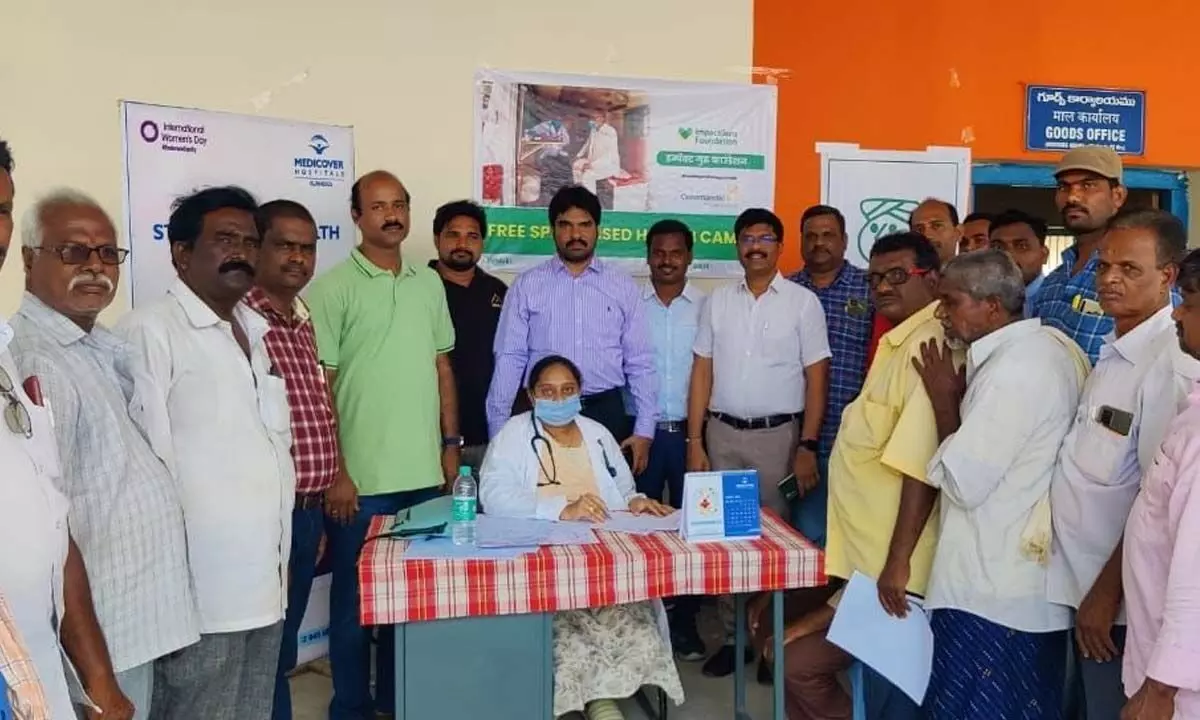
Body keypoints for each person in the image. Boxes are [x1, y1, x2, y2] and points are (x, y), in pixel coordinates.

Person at [9, 190, 199, 720]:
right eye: (74, 252)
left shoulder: (98, 346)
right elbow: (50, 533)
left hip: (139, 622)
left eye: (107, 253)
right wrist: (96, 677)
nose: (95, 267)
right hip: (104, 639)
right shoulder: (37, 362)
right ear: (29, 259)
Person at [117, 186, 294, 720]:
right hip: (200, 593)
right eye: (224, 239)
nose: (240, 250)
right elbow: (145, 471)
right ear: (181, 253)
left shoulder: (255, 330)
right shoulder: (151, 331)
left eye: (249, 240)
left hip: (265, 578)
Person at [784, 232, 957, 720]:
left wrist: (898, 564)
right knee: (795, 656)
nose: (883, 286)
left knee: (891, 697)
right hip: (869, 565)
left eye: (898, 275)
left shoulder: (930, 346)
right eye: (876, 277)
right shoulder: (895, 341)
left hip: (899, 575)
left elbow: (921, 471)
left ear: (934, 278)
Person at [306, 170, 455, 719]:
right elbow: (320, 388)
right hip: (361, 485)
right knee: (352, 606)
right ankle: (350, 706)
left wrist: (450, 445)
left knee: (408, 603)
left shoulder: (428, 282)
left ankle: (398, 702)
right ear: (356, 216)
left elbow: (443, 367)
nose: (391, 215)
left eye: (399, 205)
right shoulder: (330, 288)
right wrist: (338, 473)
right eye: (378, 206)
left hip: (422, 478)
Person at [915, 250, 1088, 719]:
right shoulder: (1043, 349)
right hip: (1016, 588)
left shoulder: (1016, 371)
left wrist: (944, 403)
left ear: (991, 306)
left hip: (990, 592)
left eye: (950, 303)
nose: (940, 315)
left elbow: (963, 480)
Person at [0, 139, 134, 720]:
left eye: (1, 209)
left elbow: (52, 520)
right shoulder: (35, 351)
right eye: (75, 251)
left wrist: (98, 678)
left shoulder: (5, 356)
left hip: (34, 666)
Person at [1047, 209, 1198, 720]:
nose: (1110, 279)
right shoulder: (1112, 353)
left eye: (1129, 269)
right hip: (1078, 588)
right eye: (1103, 267)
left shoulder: (1169, 368)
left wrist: (1105, 597)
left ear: (1168, 276)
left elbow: (1156, 500)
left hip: (1119, 611)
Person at [479, 355, 681, 720]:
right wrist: (561, 508)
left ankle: (601, 697)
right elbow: (493, 496)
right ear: (531, 394)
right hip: (545, 561)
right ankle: (592, 703)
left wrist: (636, 501)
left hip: (604, 558)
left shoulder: (597, 433)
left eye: (568, 391)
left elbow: (622, 485)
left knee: (635, 624)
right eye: (548, 392)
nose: (559, 400)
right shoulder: (514, 434)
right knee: (567, 629)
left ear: (580, 393)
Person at [687, 207, 831, 678]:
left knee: (774, 544)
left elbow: (816, 376)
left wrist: (807, 444)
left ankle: (771, 640)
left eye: (765, 237)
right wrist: (696, 439)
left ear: (779, 245)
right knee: (729, 542)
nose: (755, 245)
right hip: (723, 434)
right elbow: (702, 370)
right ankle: (735, 639)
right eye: (747, 237)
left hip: (778, 440)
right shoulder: (717, 301)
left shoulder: (802, 303)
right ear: (737, 246)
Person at [239, 200, 340, 720]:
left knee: (280, 648)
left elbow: (317, 409)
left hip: (306, 512)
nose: (298, 257)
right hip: (266, 517)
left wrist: (318, 503)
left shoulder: (301, 320)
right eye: (285, 245)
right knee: (261, 651)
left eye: (307, 247)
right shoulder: (242, 321)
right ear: (256, 248)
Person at [487, 185, 657, 472]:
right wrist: (499, 431)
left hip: (606, 411)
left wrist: (644, 430)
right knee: (543, 497)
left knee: (609, 503)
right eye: (565, 225)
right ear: (552, 229)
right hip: (543, 410)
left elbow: (640, 362)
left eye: (584, 225)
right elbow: (509, 357)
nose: (575, 235)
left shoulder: (622, 286)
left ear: (597, 229)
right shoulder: (528, 285)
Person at [1120, 248, 1200, 720]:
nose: (1178, 313)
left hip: (1179, 694)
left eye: (1188, 301)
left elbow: (1195, 573)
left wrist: (1161, 689)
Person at [637, 218, 706, 660]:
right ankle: (641, 627)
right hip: (640, 434)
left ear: (689, 257)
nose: (667, 260)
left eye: (675, 252)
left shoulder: (707, 307)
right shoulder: (628, 303)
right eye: (658, 252)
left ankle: (685, 625)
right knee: (639, 530)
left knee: (690, 531)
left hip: (689, 437)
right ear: (647, 257)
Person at [789, 204, 871, 547]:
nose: (818, 243)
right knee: (804, 536)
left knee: (855, 537)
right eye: (811, 236)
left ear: (845, 240)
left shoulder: (871, 288)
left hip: (855, 438)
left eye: (828, 235)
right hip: (795, 440)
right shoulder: (786, 291)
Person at [429, 199, 508, 471]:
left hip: (489, 436)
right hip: (430, 439)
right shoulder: (417, 287)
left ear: (482, 243)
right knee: (435, 512)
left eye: (472, 236)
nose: (462, 244)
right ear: (437, 238)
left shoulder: (497, 291)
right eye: (453, 234)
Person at [1033, 146, 1129, 363]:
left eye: (1088, 185)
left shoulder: (1135, 279)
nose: (1073, 197)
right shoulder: (1052, 283)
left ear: (1118, 196)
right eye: (1063, 187)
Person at [988, 208, 1050, 318]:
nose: (1009, 256)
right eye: (998, 247)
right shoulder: (983, 303)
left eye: (1022, 246)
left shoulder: (1055, 300)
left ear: (1044, 255)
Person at [572, 110, 625, 194]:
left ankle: (591, 199)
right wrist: (578, 155)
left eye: (594, 118)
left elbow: (609, 155)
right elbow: (587, 143)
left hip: (607, 164)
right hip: (592, 161)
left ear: (602, 119)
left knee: (587, 175)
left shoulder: (610, 131)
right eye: (591, 118)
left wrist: (592, 165)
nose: (592, 120)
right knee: (576, 165)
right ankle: (578, 192)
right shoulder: (594, 130)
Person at [909, 198, 961, 266]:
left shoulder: (975, 274)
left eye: (937, 226)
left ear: (958, 232)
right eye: (919, 229)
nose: (927, 235)